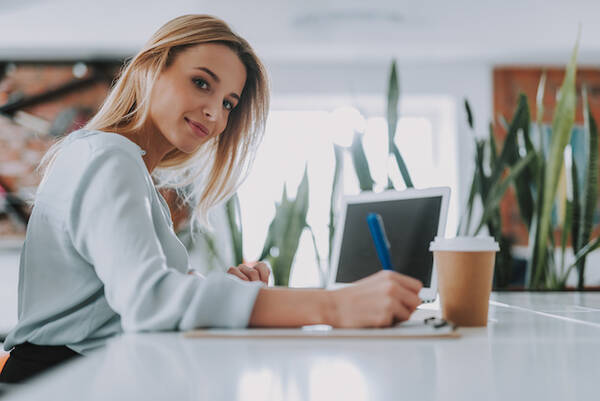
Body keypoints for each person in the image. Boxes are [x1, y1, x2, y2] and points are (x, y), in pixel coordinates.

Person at [0, 14, 422, 384]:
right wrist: (333, 306)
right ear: (151, 68)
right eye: (201, 83)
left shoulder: (125, 165)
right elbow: (149, 302)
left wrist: (219, 291)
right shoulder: (107, 157)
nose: (215, 113)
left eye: (228, 103)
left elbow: (116, 302)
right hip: (56, 383)